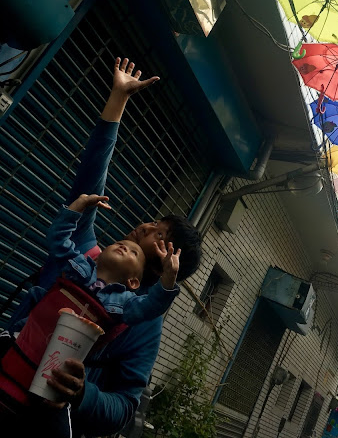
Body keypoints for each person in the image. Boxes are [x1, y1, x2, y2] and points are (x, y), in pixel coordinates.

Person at [6, 57, 203, 437]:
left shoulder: (142, 320)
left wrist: (81, 394)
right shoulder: (84, 255)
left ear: (162, 263)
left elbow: (124, 408)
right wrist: (118, 100)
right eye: (153, 221)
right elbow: (88, 180)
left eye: (156, 234)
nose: (144, 225)